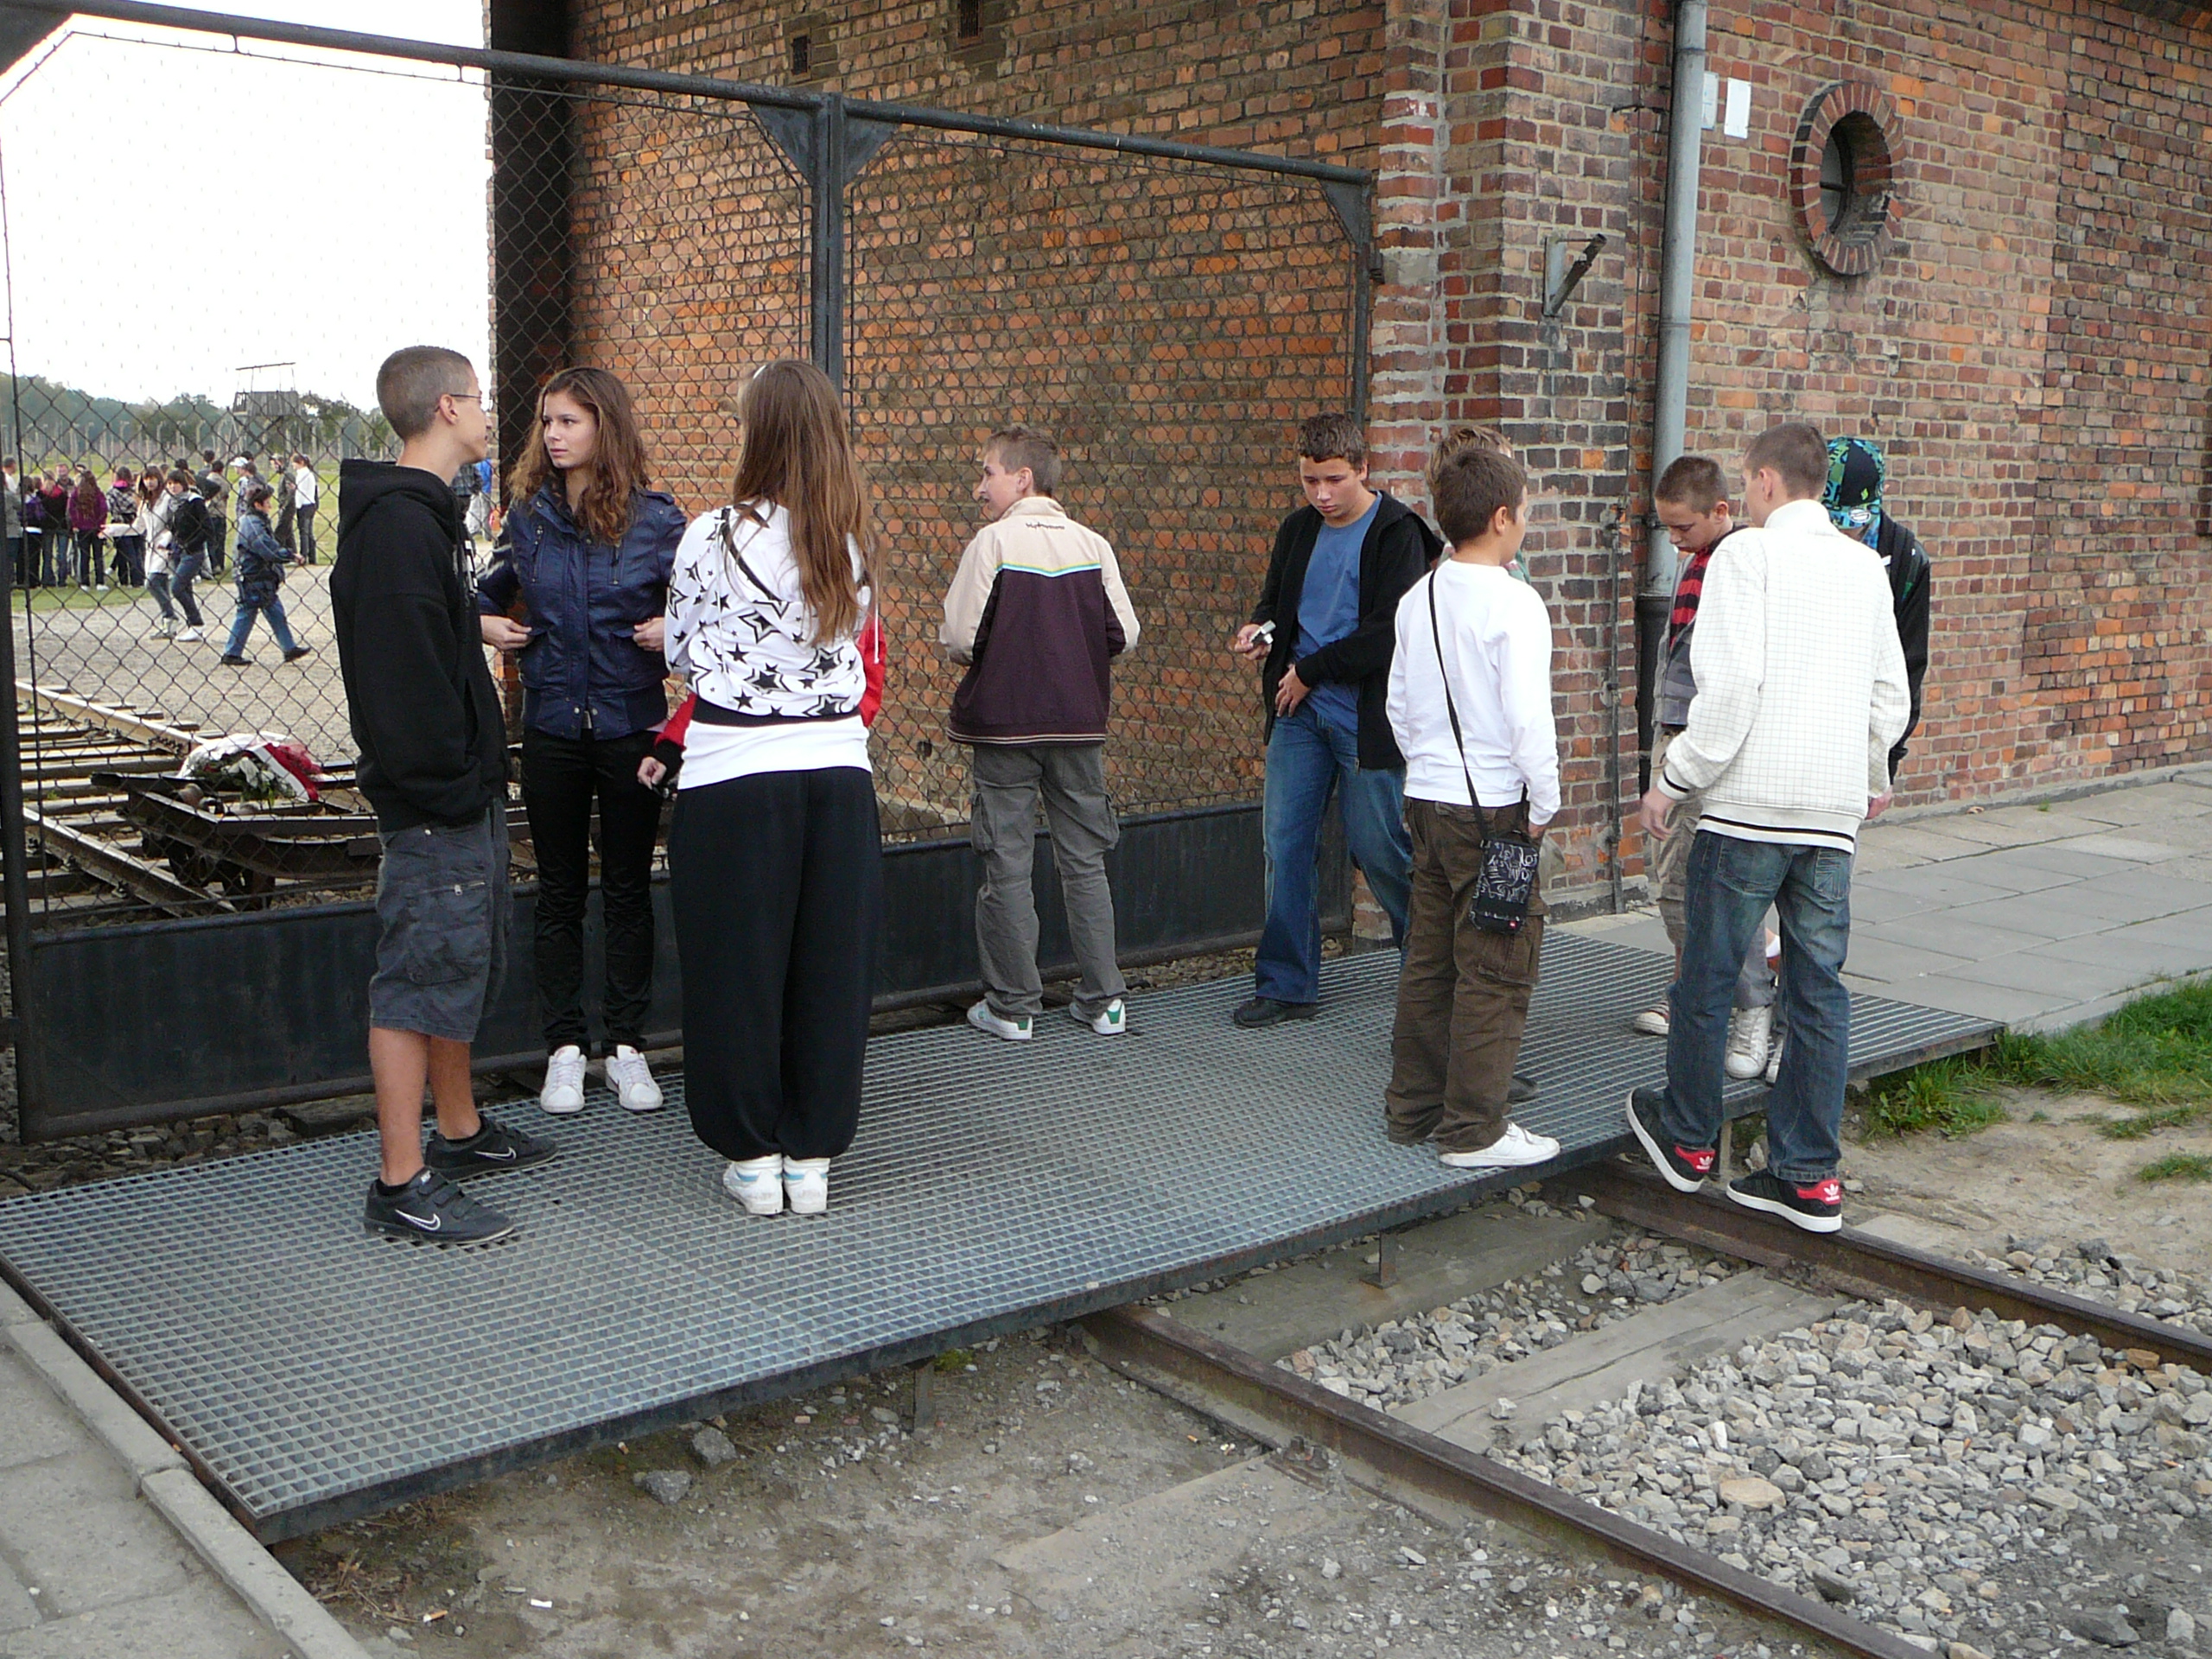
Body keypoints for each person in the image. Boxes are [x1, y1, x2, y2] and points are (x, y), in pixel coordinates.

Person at [1627, 422, 1909, 1235]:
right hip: (1829, 818)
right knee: (1819, 990)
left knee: (1709, 974)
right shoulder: (1865, 568)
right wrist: (1869, 780)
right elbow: (1889, 699)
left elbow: (1730, 688)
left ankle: (1688, 1139)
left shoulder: (1745, 557)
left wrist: (1673, 781)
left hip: (1747, 809)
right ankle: (1807, 1177)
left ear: (1763, 481)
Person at [336, 344, 553, 1247]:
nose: (491, 412)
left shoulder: (422, 516)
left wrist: (472, 625)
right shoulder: (397, 527)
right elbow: (398, 676)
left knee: (458, 965)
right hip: (435, 802)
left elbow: (423, 627)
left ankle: (458, 1131)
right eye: (480, 397)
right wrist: (452, 785)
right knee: (418, 978)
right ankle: (400, 1183)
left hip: (456, 792)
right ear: (447, 409)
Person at [657, 359, 881, 1219]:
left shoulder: (709, 534)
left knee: (735, 964)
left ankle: (751, 1156)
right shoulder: (848, 541)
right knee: (829, 964)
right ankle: (812, 1156)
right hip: (837, 770)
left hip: (734, 772)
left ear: (759, 432)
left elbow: (682, 651)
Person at [477, 366, 685, 1116]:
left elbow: (707, 614)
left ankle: (627, 1047)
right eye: (547, 422)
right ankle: (564, 1049)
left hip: (632, 728)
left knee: (628, 887)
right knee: (559, 890)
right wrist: (485, 624)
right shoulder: (529, 517)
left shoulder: (658, 520)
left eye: (568, 421)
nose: (553, 435)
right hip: (553, 726)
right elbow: (483, 592)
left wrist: (674, 630)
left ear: (605, 425)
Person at [1384, 443, 1563, 1171]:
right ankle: (1474, 1131)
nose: (1525, 522)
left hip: (1427, 798)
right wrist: (1544, 800)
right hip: (1493, 807)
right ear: (1500, 518)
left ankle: (1412, 1108)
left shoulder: (1418, 596)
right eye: (1524, 512)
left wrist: (1426, 768)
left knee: (1429, 960)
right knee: (1496, 966)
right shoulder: (1515, 602)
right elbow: (1529, 718)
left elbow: (1398, 706)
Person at [1229, 412, 1438, 1028]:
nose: (1321, 494)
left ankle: (1431, 975)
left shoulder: (1398, 532)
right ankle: (1286, 984)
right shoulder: (1298, 529)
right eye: (1310, 481)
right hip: (1298, 712)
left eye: (1334, 480)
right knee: (1284, 844)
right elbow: (1277, 601)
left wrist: (1310, 670)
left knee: (1379, 849)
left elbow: (1388, 633)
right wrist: (1262, 631)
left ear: (1363, 470)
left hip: (1364, 719)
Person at [942, 424, 1141, 1043]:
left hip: (1005, 728)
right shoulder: (1093, 545)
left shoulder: (992, 543)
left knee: (1007, 860)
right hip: (1079, 725)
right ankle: (1105, 1001)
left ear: (1022, 478)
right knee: (1085, 860)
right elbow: (1125, 635)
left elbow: (960, 637)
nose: (980, 488)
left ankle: (1014, 1006)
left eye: (988, 473)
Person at [1631, 455, 1778, 1078]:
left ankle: (1743, 1003)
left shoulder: (1737, 565)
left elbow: (1728, 677)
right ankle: (1696, 991)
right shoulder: (1698, 560)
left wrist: (1684, 760)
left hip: (1702, 744)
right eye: (1666, 527)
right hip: (1675, 734)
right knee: (1674, 880)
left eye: (1683, 527)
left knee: (1698, 884)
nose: (1673, 540)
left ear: (1721, 510)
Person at [1821, 437, 1930, 786]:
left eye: (1850, 525)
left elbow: (1909, 664)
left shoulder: (1906, 561)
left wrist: (1887, 762)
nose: (1842, 535)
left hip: (1860, 736)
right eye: (1832, 523)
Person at [220, 482, 311, 665]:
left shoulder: (256, 521)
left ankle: (288, 647)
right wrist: (290, 555)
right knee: (251, 611)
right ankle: (232, 652)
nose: (270, 506)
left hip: (259, 576)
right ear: (257, 504)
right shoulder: (252, 524)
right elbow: (266, 548)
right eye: (267, 502)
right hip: (253, 576)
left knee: (270, 611)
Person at [162, 469, 211, 641]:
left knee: (177, 587)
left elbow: (207, 528)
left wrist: (191, 544)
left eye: (176, 483)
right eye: (169, 483)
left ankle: (197, 623)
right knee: (186, 589)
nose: (172, 487)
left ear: (183, 484)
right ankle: (193, 626)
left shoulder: (194, 501)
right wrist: (170, 544)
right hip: (177, 551)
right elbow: (174, 529)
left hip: (193, 551)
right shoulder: (172, 503)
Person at [68, 467, 106, 590]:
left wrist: (76, 523)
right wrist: (100, 523)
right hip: (96, 528)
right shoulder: (98, 493)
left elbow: (71, 509)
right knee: (98, 556)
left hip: (82, 528)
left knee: (83, 556)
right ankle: (100, 582)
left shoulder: (76, 493)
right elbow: (103, 509)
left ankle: (84, 583)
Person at [106, 468, 143, 588]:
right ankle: (137, 579)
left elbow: (111, 508)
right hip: (135, 522)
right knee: (136, 553)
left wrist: (118, 517)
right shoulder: (134, 490)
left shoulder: (112, 491)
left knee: (122, 553)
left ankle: (123, 580)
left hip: (119, 523)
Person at [198, 451, 228, 575]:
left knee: (211, 541)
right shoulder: (225, 481)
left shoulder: (208, 479)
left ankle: (213, 564)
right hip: (222, 512)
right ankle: (220, 563)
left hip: (211, 512)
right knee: (221, 540)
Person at [37, 470, 68, 587]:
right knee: (62, 553)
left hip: (47, 525)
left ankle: (47, 578)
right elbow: (66, 510)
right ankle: (62, 579)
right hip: (61, 524)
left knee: (47, 554)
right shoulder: (61, 493)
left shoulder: (41, 493)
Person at [291, 454, 321, 565]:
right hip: (311, 504)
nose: (293, 465)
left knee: (303, 532)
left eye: (295, 462)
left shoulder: (302, 474)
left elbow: (301, 493)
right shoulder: (309, 474)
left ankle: (303, 556)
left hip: (304, 505)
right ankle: (312, 557)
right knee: (309, 532)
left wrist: (297, 506)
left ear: (301, 463)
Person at [3, 460, 23, 590]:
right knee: (10, 558)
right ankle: (9, 581)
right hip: (11, 531)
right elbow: (20, 505)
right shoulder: (8, 495)